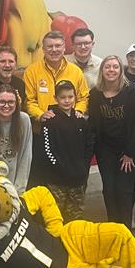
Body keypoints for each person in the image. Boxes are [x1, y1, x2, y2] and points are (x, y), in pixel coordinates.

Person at [24, 31, 89, 187]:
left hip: (71, 136)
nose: (54, 50)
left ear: (64, 47)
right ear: (43, 50)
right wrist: (41, 115)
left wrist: (78, 111)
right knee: (42, 179)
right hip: (42, 135)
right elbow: (29, 101)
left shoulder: (75, 71)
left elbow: (84, 97)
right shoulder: (32, 71)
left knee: (70, 176)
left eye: (58, 46)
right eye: (50, 46)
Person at [88, 56, 135, 228]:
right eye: (107, 67)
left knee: (124, 189)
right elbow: (93, 125)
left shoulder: (132, 92)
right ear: (102, 70)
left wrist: (129, 153)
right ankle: (113, 226)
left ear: (121, 70)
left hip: (129, 151)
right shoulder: (95, 94)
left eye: (115, 67)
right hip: (106, 150)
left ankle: (125, 228)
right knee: (109, 189)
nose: (111, 70)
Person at [40, 80, 93, 223]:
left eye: (70, 97)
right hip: (57, 180)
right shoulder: (50, 121)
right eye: (63, 97)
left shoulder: (80, 120)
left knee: (76, 217)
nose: (67, 101)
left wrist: (83, 166)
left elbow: (89, 145)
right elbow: (48, 150)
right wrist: (61, 168)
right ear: (56, 98)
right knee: (56, 217)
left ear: (75, 97)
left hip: (78, 179)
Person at [0, 84, 32, 193]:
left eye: (10, 102)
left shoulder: (24, 120)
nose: (6, 105)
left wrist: (19, 190)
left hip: (18, 187)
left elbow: (26, 156)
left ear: (16, 103)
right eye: (2, 101)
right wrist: (2, 191)